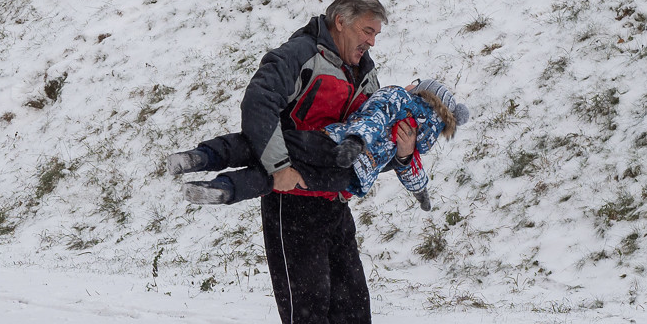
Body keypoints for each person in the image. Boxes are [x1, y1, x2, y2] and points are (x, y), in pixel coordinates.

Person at [183, 0, 403, 324]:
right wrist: (279, 166)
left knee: (351, 298)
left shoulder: (364, 71)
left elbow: (373, 130)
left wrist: (400, 147)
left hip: (334, 200)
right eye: (367, 31)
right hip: (291, 200)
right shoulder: (297, 54)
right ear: (340, 20)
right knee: (308, 300)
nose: (371, 42)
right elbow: (259, 104)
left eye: (375, 35)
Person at [169, 78, 469, 212]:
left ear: (422, 92)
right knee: (277, 180)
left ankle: (202, 157)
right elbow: (411, 169)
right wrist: (421, 195)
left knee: (261, 145)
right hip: (348, 178)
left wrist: (354, 140)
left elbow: (375, 118)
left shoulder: (400, 99)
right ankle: (224, 190)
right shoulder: (418, 141)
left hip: (332, 145)